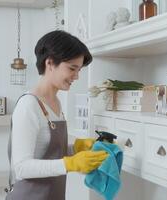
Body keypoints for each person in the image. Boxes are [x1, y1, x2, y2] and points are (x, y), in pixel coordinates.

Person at [8, 30, 108, 200]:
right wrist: (70, 163)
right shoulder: (29, 106)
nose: (76, 76)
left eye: (79, 70)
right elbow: (21, 167)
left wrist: (74, 149)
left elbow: (48, 153)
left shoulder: (56, 103)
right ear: (50, 63)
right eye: (72, 68)